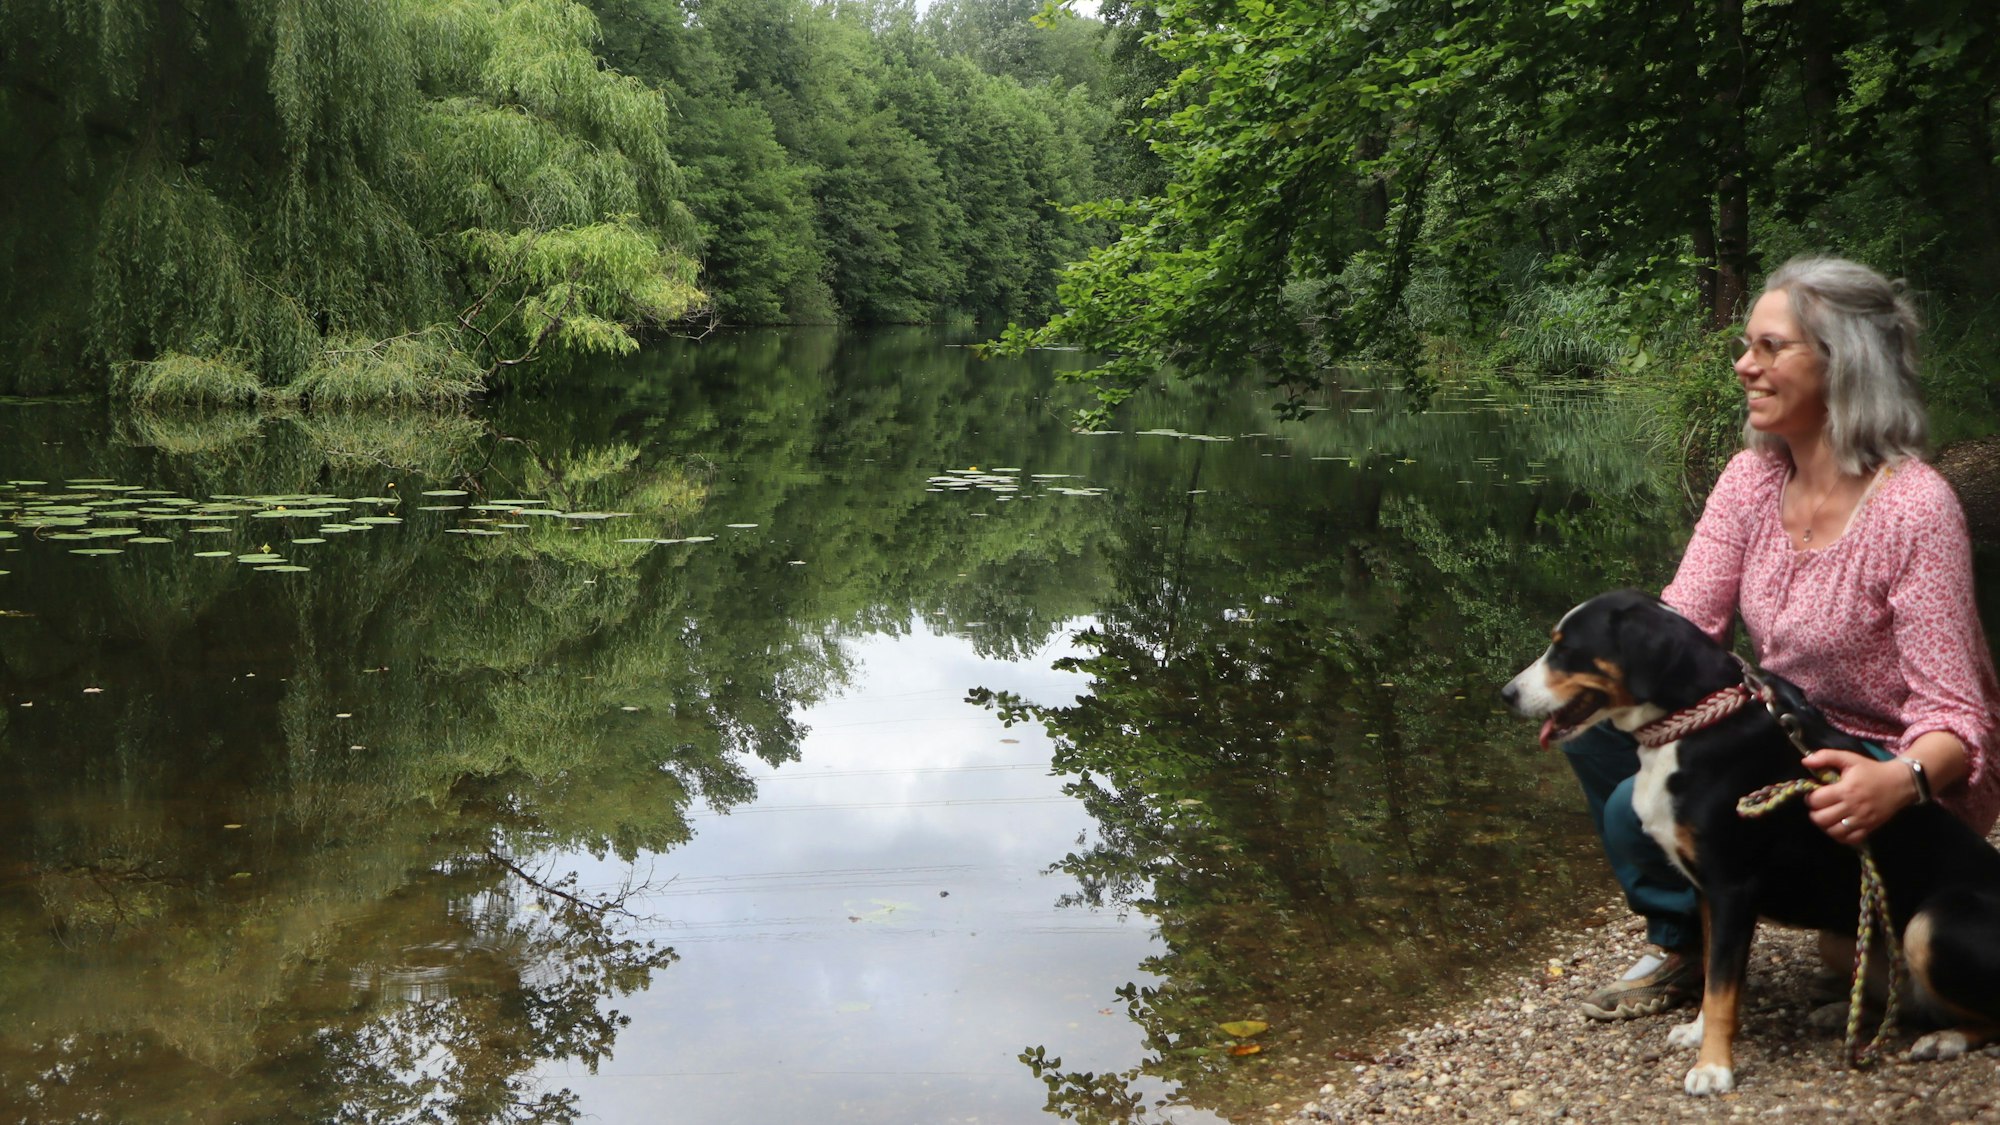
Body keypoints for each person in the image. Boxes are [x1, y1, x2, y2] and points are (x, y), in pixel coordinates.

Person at [1562, 256, 2000, 1020]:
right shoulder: (1752, 478)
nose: (1744, 366)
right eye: (1746, 346)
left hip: (1888, 764)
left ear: (1844, 365)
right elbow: (1682, 634)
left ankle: (1838, 928)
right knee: (1589, 725)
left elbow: (1960, 720)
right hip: (1784, 728)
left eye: (1769, 348)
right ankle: (1686, 934)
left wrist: (1894, 782)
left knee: (1633, 799)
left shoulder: (1915, 508)